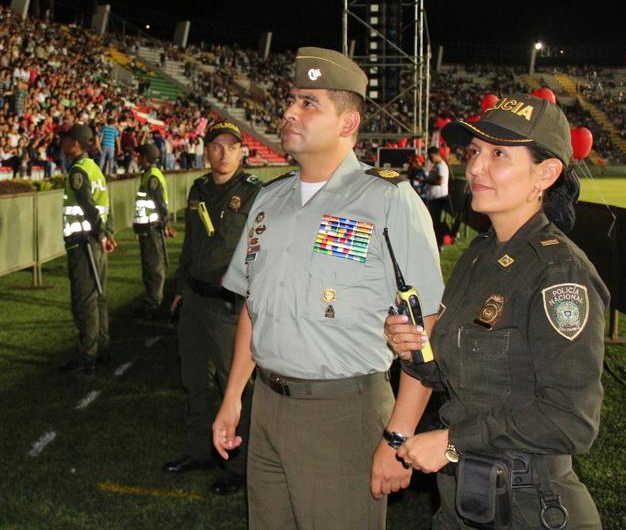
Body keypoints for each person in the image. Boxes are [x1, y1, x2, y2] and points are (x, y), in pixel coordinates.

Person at [212, 47, 444, 528]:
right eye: (291, 100)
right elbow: (254, 308)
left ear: (347, 122)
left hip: (344, 411)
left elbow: (428, 325)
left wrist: (398, 436)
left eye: (309, 102)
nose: (289, 112)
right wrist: (234, 395)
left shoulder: (388, 200)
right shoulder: (268, 201)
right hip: (269, 406)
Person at [386, 95, 608, 529]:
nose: (475, 167)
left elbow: (572, 419)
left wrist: (453, 442)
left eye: (499, 154)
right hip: (464, 501)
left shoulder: (559, 272)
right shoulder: (480, 254)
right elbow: (467, 375)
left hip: (530, 504)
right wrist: (412, 352)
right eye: (475, 152)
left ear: (545, 173)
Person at [164, 120, 263, 496]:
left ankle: (238, 466)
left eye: (230, 147)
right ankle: (199, 451)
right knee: (194, 379)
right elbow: (192, 242)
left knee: (234, 386)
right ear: (206, 152)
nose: (222, 153)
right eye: (216, 146)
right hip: (194, 298)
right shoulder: (199, 189)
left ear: (242, 152)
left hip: (228, 305)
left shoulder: (254, 193)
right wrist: (180, 286)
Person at [58, 122, 116, 376]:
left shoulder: (78, 171)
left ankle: (87, 358)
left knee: (84, 300)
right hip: (95, 242)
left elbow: (87, 204)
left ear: (76, 143)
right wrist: (107, 233)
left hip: (84, 243)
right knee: (99, 296)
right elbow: (105, 204)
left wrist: (101, 233)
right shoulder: (94, 167)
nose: (63, 142)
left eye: (66, 139)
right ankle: (102, 349)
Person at [131, 143, 175, 320]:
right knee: (150, 267)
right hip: (149, 228)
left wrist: (164, 225)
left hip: (152, 229)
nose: (137, 158)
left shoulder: (152, 177)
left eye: (139, 155)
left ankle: (154, 305)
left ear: (146, 157)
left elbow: (159, 204)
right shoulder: (150, 175)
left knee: (153, 268)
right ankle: (151, 302)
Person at [424, 145, 451, 246]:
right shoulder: (436, 166)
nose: (429, 159)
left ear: (435, 155)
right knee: (433, 221)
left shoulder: (441, 166)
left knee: (436, 222)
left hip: (438, 198)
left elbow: (440, 181)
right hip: (433, 197)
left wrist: (426, 180)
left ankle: (439, 243)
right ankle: (436, 242)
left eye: (430, 156)